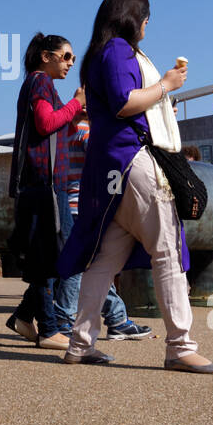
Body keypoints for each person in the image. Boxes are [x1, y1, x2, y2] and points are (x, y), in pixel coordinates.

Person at [58, 0, 213, 374]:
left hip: (107, 165)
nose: (148, 23)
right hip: (132, 158)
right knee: (167, 248)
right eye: (146, 16)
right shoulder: (118, 49)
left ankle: (80, 344)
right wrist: (166, 85)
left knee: (105, 258)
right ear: (132, 17)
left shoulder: (100, 52)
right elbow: (123, 102)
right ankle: (181, 347)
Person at [5, 33, 85, 350]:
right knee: (53, 254)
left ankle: (26, 317)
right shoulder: (40, 82)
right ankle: (48, 327)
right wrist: (75, 104)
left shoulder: (41, 84)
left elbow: (50, 124)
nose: (70, 63)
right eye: (66, 56)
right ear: (46, 56)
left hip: (48, 184)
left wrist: (73, 111)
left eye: (73, 59)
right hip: (44, 184)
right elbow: (44, 123)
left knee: (52, 253)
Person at [51, 108, 153, 341]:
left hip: (72, 202)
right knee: (85, 265)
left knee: (95, 264)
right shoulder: (85, 130)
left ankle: (116, 318)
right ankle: (64, 318)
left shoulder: (66, 130)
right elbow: (106, 158)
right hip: (83, 205)